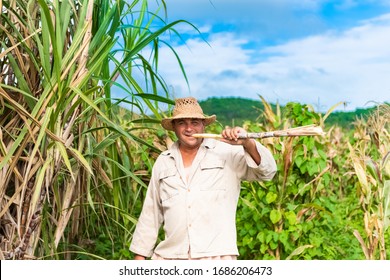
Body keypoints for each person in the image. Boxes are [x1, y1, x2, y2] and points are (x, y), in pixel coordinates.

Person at [130, 97, 277, 260]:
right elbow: (151, 213)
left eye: (194, 122)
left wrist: (248, 143)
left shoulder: (226, 152)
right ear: (173, 127)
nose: (189, 128)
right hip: (169, 258)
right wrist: (139, 258)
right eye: (181, 123)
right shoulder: (164, 161)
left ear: (203, 124)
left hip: (216, 258)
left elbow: (268, 172)